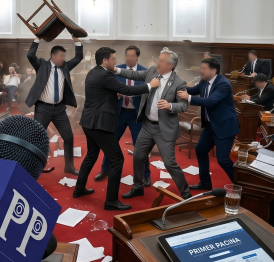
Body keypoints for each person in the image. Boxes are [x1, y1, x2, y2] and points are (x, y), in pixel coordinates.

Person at [74, 47, 154, 211]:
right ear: (105, 60)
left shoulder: (93, 72)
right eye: (113, 59)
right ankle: (111, 201)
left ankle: (79, 189)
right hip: (100, 124)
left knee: (91, 156)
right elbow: (126, 90)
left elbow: (99, 94)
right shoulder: (106, 74)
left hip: (89, 122)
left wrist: (113, 95)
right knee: (117, 160)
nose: (116, 62)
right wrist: (149, 86)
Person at [118, 48, 192, 200]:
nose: (158, 62)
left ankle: (186, 195)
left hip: (164, 129)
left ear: (171, 65)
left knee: (169, 163)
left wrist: (170, 106)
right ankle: (138, 187)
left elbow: (183, 106)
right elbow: (133, 74)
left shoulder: (179, 82)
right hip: (146, 126)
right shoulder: (152, 71)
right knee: (138, 156)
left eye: (162, 61)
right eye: (158, 59)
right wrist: (115, 70)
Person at [177, 57, 240, 187]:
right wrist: (176, 88)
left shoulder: (223, 84)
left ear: (214, 70)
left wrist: (188, 98)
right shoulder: (204, 81)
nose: (201, 71)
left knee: (223, 160)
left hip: (224, 126)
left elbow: (211, 101)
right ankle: (205, 183)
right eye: (201, 68)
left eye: (204, 69)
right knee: (200, 150)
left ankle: (243, 186)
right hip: (211, 125)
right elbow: (192, 90)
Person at [25, 35, 83, 175]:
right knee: (37, 137)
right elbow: (30, 55)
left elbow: (78, 57)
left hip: (59, 109)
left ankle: (69, 167)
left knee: (68, 137)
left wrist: (77, 40)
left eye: (64, 56)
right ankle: (34, 166)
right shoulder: (42, 65)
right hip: (43, 108)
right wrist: (37, 38)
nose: (63, 58)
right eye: (61, 56)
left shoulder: (65, 67)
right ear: (53, 56)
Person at [96, 46, 147, 182]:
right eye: (127, 55)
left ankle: (145, 175)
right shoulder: (115, 69)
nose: (129, 58)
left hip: (136, 115)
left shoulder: (144, 71)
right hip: (119, 113)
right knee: (111, 143)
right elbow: (107, 89)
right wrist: (115, 94)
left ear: (137, 57)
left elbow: (148, 92)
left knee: (141, 146)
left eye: (132, 56)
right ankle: (105, 170)